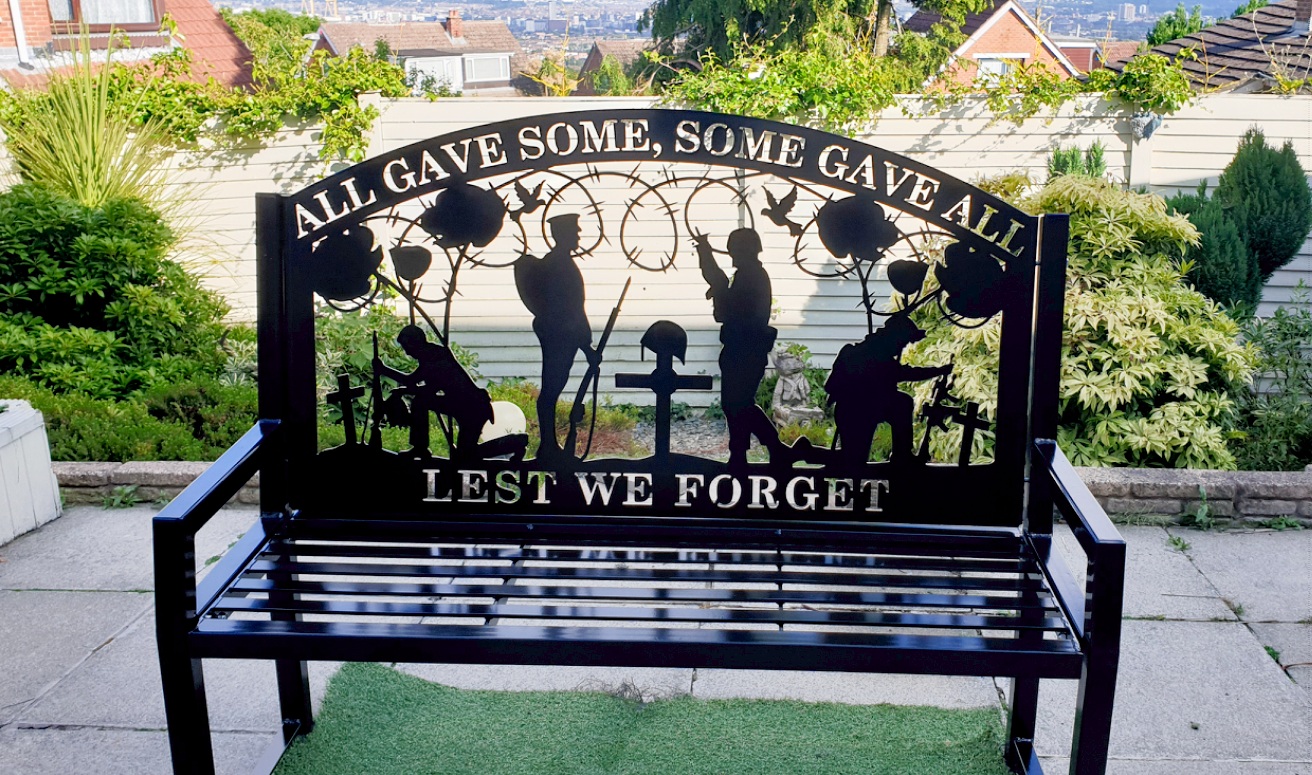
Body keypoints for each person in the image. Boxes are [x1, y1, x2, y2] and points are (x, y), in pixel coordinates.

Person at [696, 227, 790, 471]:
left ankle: (759, 450)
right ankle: (749, 452)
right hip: (743, 348)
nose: (731, 255)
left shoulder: (752, 277)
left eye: (735, 250)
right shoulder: (750, 275)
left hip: (745, 350)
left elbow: (732, 309)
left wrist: (718, 288)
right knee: (736, 403)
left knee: (738, 404)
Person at [513, 214, 599, 463]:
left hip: (565, 335)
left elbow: (575, 308)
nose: (579, 233)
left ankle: (549, 446)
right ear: (562, 234)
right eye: (575, 230)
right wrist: (587, 347)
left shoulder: (560, 263)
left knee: (553, 387)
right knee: (551, 389)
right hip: (560, 336)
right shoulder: (559, 265)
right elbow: (570, 310)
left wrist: (586, 346)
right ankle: (548, 446)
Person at [825, 312, 951, 466]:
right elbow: (904, 373)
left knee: (901, 403)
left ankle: (902, 454)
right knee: (853, 460)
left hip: (866, 410)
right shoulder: (864, 354)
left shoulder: (876, 355)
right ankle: (805, 452)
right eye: (902, 343)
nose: (901, 348)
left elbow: (900, 373)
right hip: (855, 413)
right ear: (893, 339)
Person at [373, 325, 493, 460]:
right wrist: (402, 390)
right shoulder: (430, 355)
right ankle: (420, 448)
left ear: (415, 343)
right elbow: (420, 386)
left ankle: (512, 443)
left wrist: (384, 370)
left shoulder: (435, 358)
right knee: (464, 455)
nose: (407, 353)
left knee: (465, 457)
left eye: (407, 348)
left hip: (471, 408)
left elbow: (415, 383)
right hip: (463, 405)